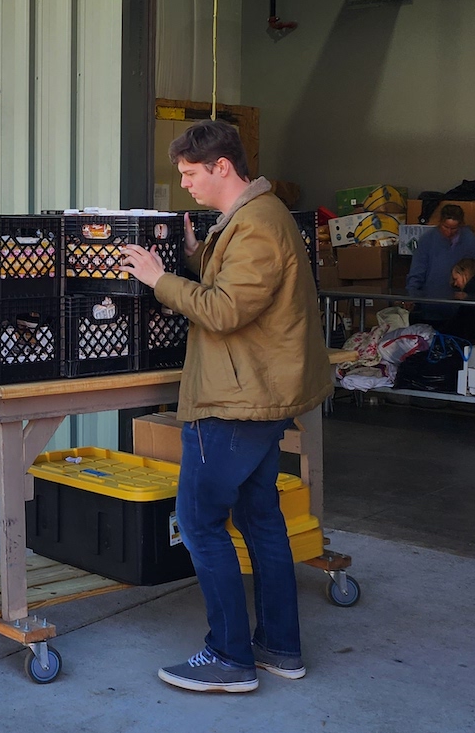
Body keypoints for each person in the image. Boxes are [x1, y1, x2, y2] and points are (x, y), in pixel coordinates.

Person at [120, 120, 332, 694]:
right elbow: (239, 289)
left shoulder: (257, 225)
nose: (185, 184)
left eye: (191, 173)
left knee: (199, 522)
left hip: (236, 402)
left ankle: (228, 657)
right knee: (260, 519)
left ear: (222, 166)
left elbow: (223, 311)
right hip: (255, 397)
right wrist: (196, 257)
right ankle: (278, 648)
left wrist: (160, 279)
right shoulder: (252, 218)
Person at [406, 203, 475, 297]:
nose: (449, 232)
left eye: (454, 228)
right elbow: (417, 270)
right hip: (431, 297)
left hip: (460, 300)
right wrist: (412, 292)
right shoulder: (427, 239)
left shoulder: (470, 241)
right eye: (445, 227)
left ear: (461, 225)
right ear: (440, 222)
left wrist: (470, 295)